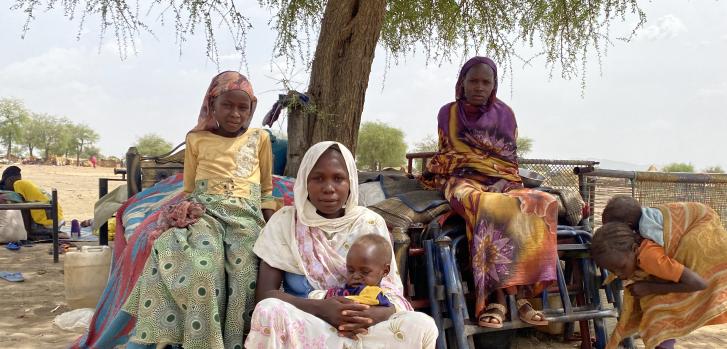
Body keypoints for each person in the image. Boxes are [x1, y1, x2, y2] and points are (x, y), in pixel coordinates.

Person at [121, 71, 276, 349]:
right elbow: (191, 189)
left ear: (252, 109)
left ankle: (236, 342)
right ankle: (201, 342)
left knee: (245, 273)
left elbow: (266, 190)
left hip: (246, 216)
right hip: (207, 214)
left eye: (243, 107)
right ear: (212, 105)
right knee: (202, 266)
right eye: (227, 105)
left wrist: (273, 230)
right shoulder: (196, 138)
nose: (235, 114)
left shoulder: (260, 138)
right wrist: (183, 212)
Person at [246, 141, 438, 348]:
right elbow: (265, 294)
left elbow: (392, 294)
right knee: (268, 310)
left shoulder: (369, 222)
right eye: (318, 178)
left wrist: (370, 315)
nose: (328, 188)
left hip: (363, 327)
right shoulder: (285, 222)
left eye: (338, 179)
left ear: (351, 182)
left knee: (422, 325)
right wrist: (321, 308)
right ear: (304, 182)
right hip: (308, 322)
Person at [421, 56, 558, 328]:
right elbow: (451, 154)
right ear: (462, 83)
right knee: (489, 205)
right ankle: (500, 299)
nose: (479, 87)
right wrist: (483, 179)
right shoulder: (447, 112)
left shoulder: (505, 113)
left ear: (494, 85)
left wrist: (500, 179)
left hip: (501, 179)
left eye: (486, 82)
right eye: (473, 81)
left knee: (544, 202)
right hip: (460, 179)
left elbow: (508, 158)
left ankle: (523, 297)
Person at [591, 213, 727, 349]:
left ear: (634, 249)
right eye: (613, 271)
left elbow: (699, 283)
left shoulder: (649, 258)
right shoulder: (637, 255)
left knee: (657, 307)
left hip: (708, 273)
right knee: (655, 306)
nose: (619, 274)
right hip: (690, 278)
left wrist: (650, 288)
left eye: (621, 267)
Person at [309, 234, 393, 307]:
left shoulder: (377, 297)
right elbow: (316, 297)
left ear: (385, 271)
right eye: (351, 271)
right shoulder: (343, 290)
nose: (355, 276)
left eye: (365, 272)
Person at [0, 165, 65, 236]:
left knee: (30, 231)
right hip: (58, 220)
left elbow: (24, 209)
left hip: (48, 223)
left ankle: (51, 233)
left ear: (10, 180)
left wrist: (26, 232)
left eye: (5, 184)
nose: (7, 188)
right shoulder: (29, 184)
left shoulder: (17, 184)